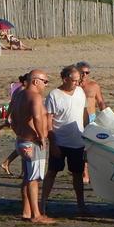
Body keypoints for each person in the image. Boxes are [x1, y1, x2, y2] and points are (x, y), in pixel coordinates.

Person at [41, 65, 89, 216]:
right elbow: (48, 120)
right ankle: (42, 204)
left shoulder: (80, 92)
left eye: (78, 80)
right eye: (74, 80)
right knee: (52, 172)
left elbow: (84, 113)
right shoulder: (54, 95)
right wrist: (52, 142)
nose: (77, 83)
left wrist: (88, 133)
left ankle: (81, 206)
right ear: (65, 79)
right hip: (60, 142)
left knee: (78, 174)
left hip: (78, 142)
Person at [10, 70, 54, 223]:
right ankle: (36, 214)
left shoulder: (18, 94)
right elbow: (36, 117)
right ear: (36, 81)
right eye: (45, 81)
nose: (46, 85)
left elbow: (11, 116)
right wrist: (42, 136)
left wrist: (17, 130)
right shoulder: (35, 96)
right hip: (32, 142)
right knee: (33, 179)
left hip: (21, 140)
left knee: (27, 178)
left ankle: (26, 211)